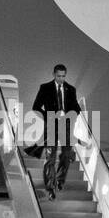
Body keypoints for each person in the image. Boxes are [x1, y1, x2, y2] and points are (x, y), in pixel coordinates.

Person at [30, 64, 79, 199]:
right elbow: (36, 107)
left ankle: (60, 181)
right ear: (53, 74)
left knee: (66, 155)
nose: (61, 79)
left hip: (66, 125)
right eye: (59, 76)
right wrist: (50, 115)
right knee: (50, 158)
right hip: (51, 124)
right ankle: (50, 187)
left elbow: (77, 108)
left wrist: (70, 115)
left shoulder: (71, 89)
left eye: (63, 76)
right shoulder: (45, 88)